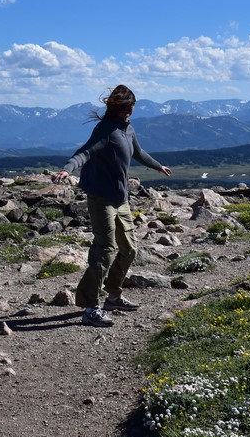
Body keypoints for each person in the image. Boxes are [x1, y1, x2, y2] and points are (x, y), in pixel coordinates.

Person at [52, 85, 171, 327]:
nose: (132, 110)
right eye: (130, 106)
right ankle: (90, 306)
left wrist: (158, 166)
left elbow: (138, 153)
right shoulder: (105, 129)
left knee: (129, 249)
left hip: (120, 199)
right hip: (101, 199)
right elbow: (84, 153)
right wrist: (67, 169)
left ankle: (113, 296)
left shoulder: (128, 129)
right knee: (105, 250)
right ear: (124, 107)